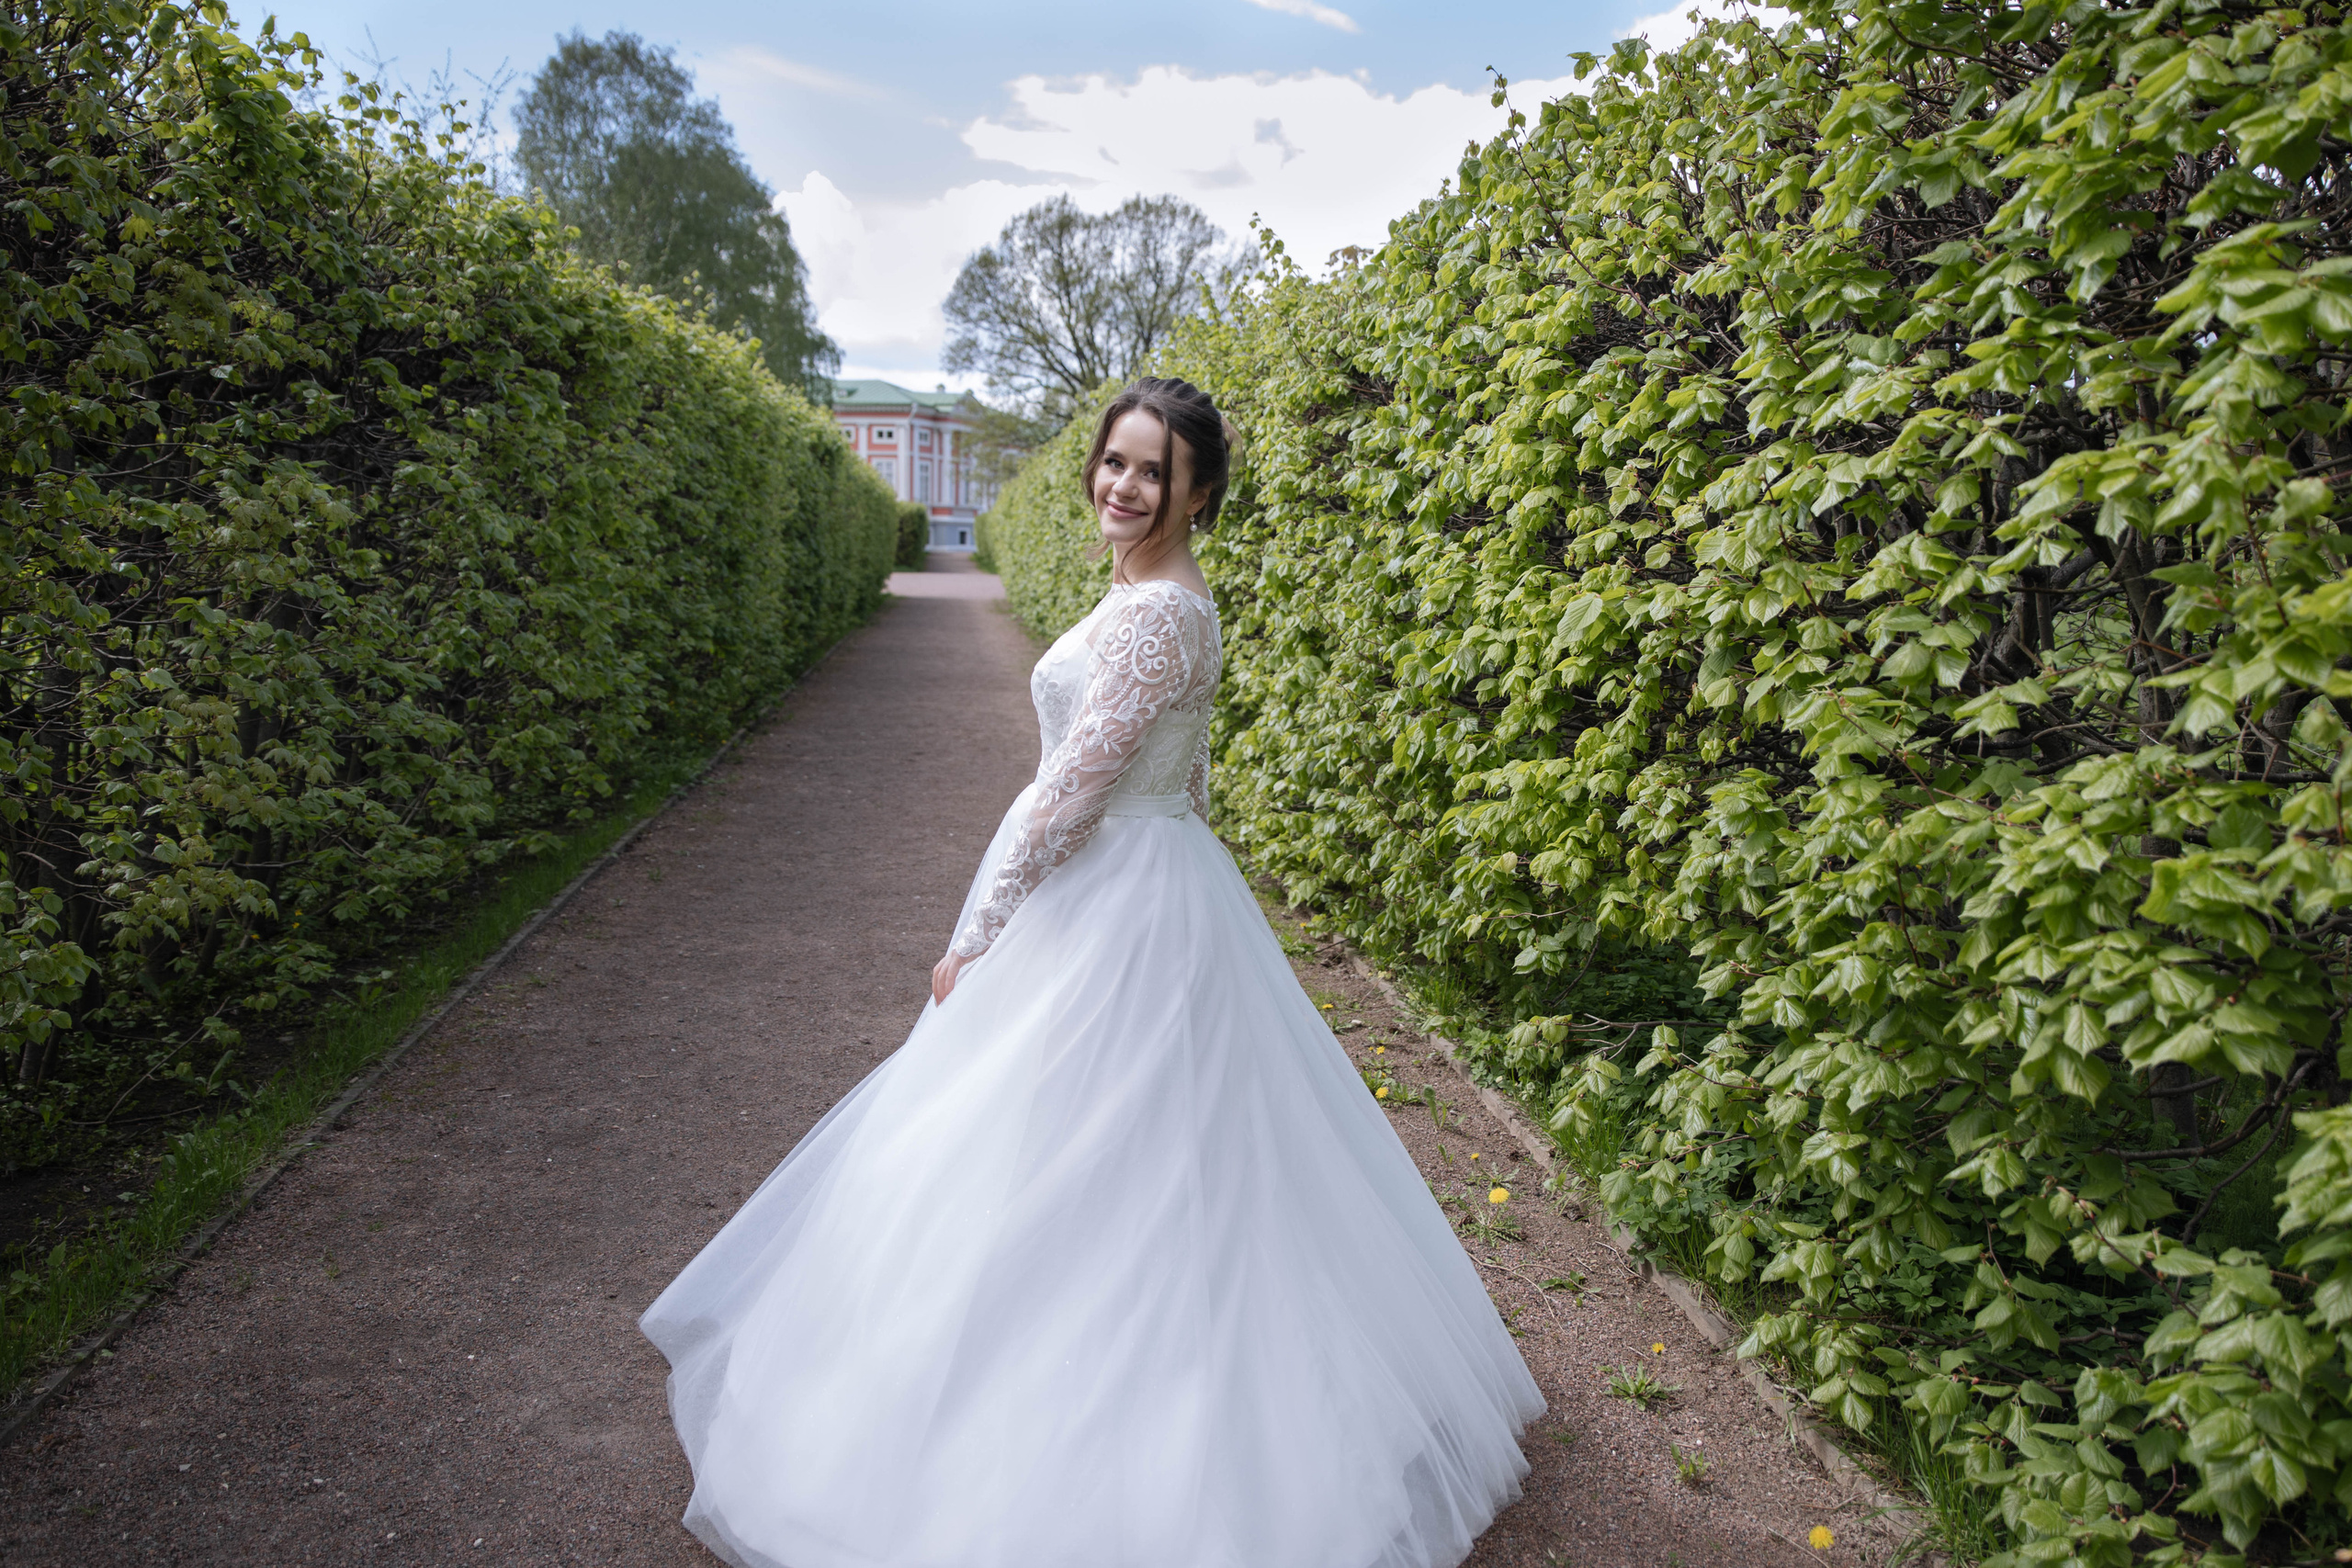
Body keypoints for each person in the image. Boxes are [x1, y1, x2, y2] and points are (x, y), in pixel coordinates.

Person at [640, 378, 1543, 1568]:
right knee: (1115, 1159)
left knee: (1103, 1162)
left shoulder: (1161, 613)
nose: (1123, 485)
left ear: (1197, 493)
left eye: (1151, 471)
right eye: (1114, 462)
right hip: (1154, 876)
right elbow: (1181, 776)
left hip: (1120, 899)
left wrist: (981, 935)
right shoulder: (1152, 595)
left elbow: (1071, 790)